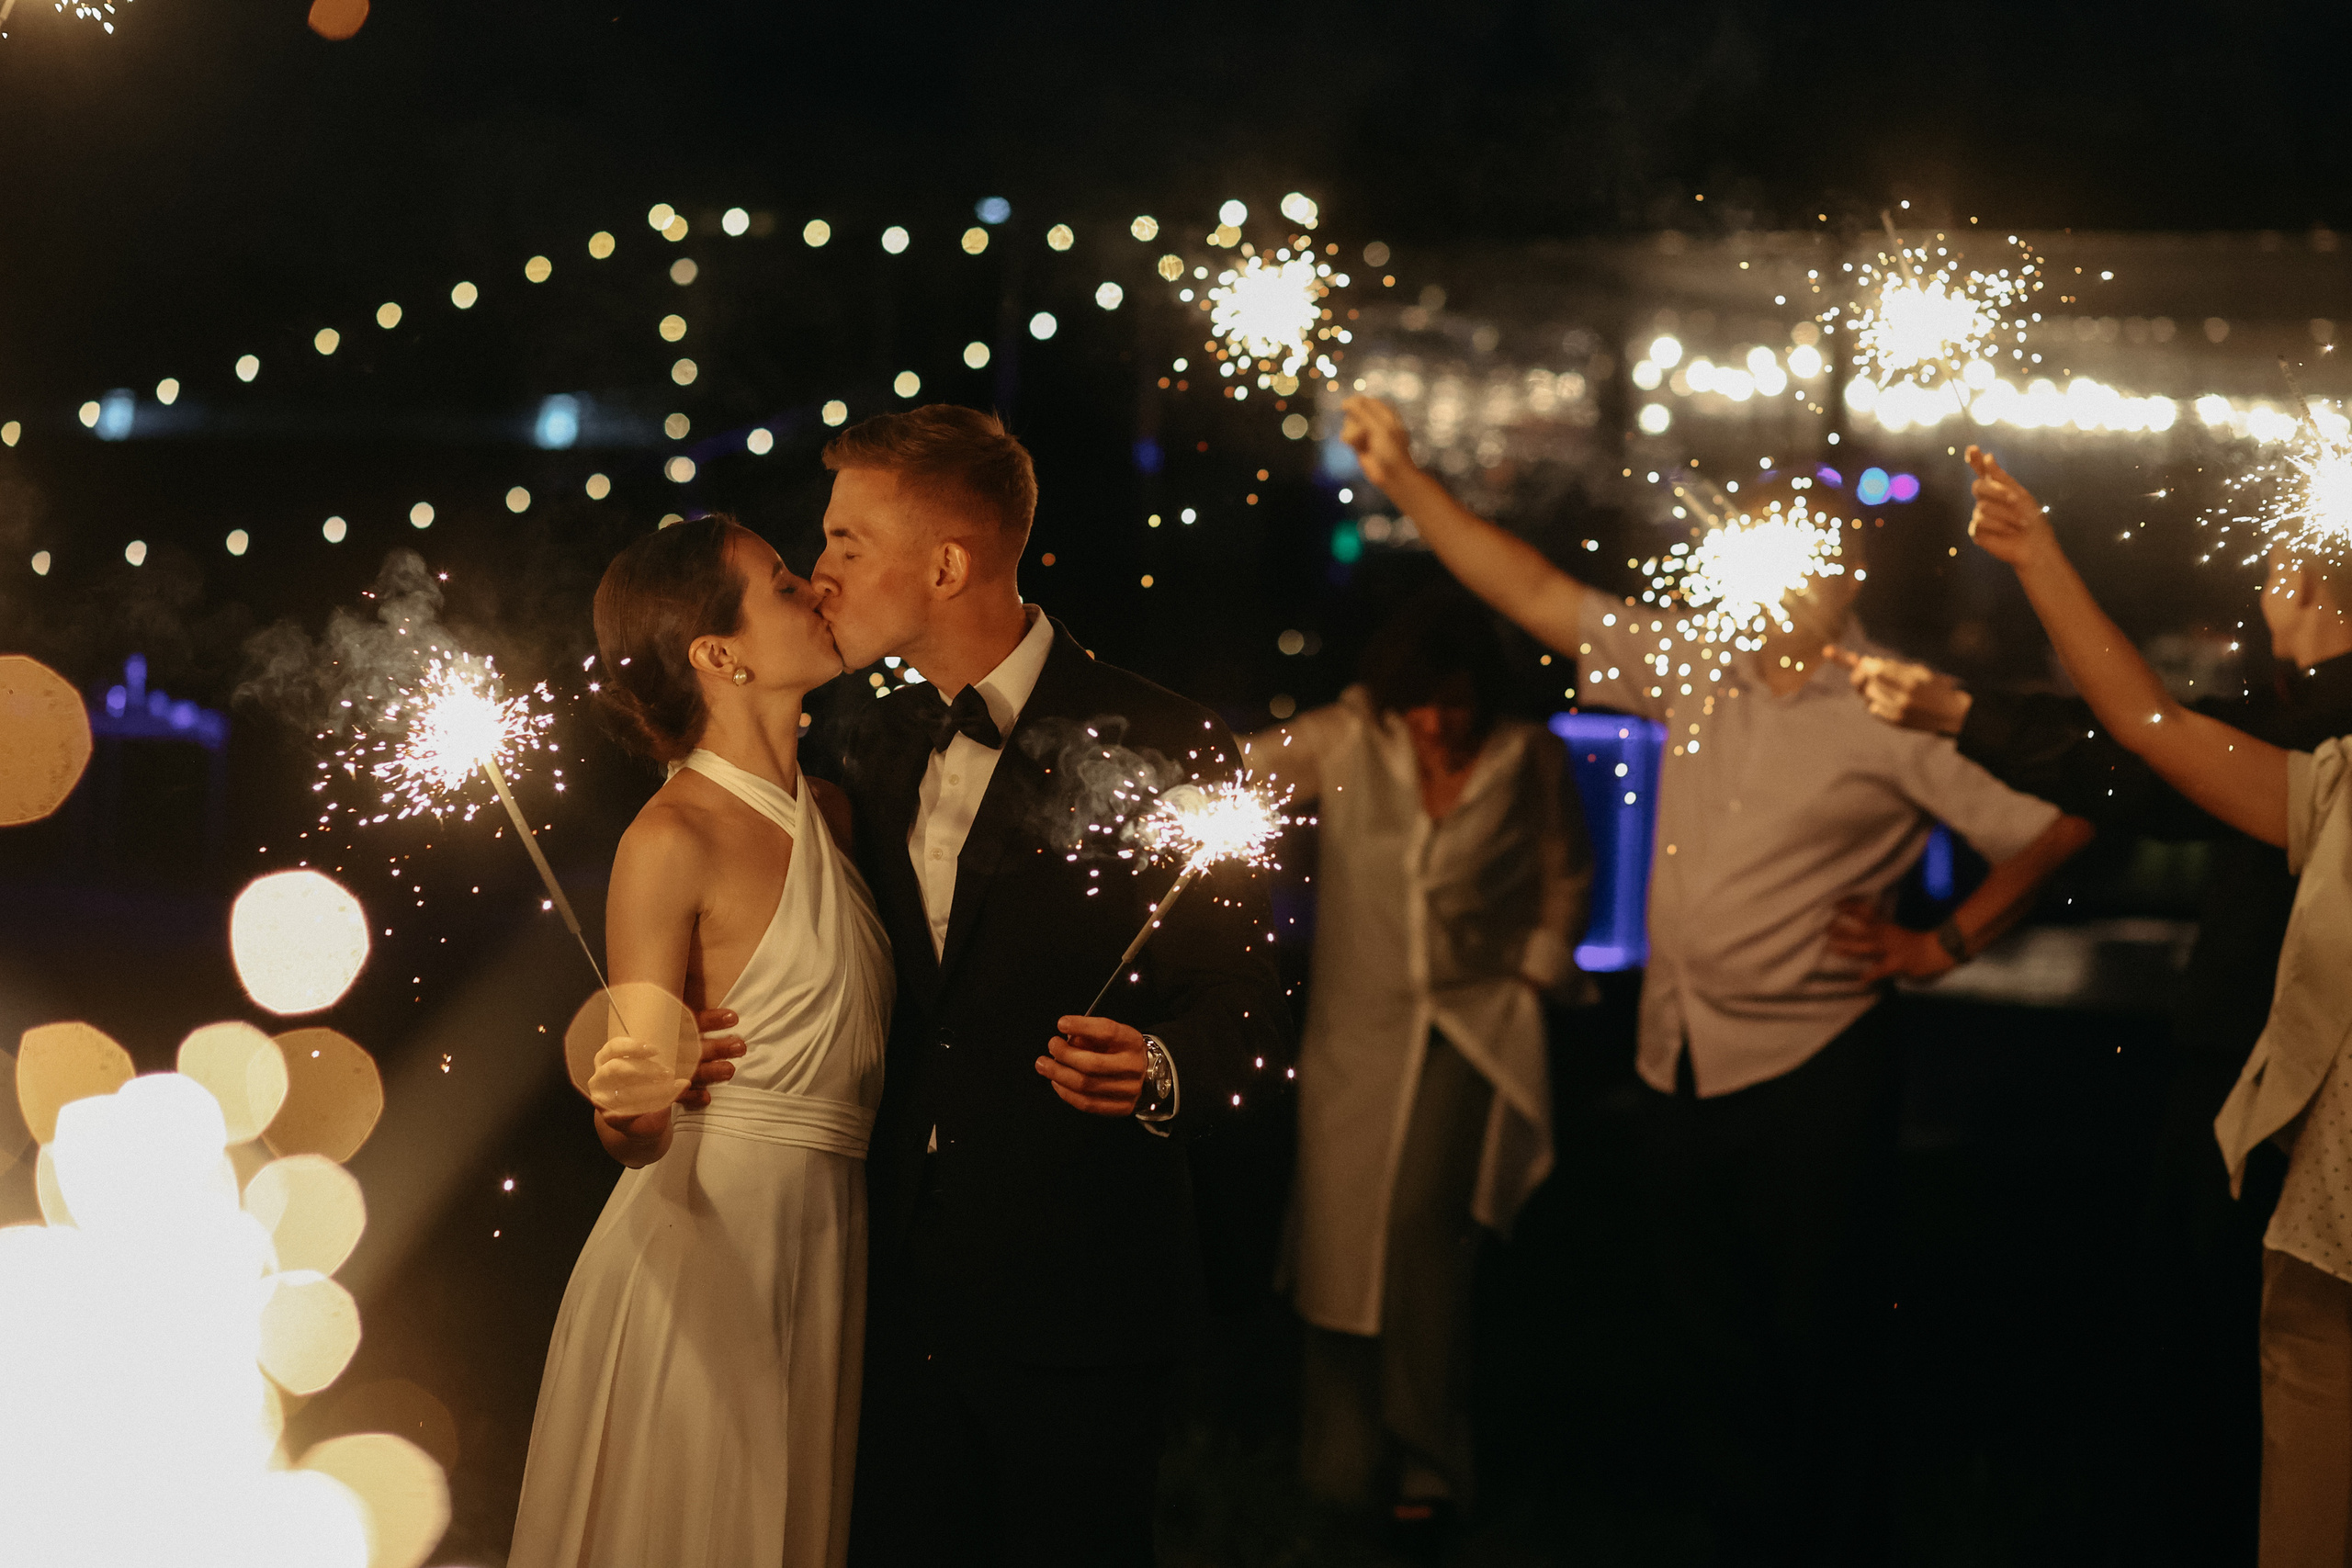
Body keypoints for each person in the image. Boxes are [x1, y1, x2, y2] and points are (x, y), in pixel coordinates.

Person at [1340, 396, 2094, 1564]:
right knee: (1710, 1343)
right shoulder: (1692, 665)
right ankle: (1741, 1538)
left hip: (1813, 1071)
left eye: (1806, 555)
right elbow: (1530, 590)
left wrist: (1941, 945)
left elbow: (2055, 826)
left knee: (1820, 1346)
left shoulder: (1891, 707)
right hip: (1678, 1058)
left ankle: (1833, 1543)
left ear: (1846, 575)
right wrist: (1405, 479)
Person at [808, 404, 1293, 1567]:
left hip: (1079, 1294)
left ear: (946, 564)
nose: (817, 571)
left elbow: (1249, 1008)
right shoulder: (857, 742)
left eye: (844, 543)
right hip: (887, 1288)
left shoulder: (1171, 743)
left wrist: (1158, 1069)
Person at [1834, 528, 2352, 1563]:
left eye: (2307, 578)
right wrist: (2030, 568)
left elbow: (2139, 749)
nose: (2276, 589)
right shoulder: (2323, 769)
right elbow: (2141, 733)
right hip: (2295, 1191)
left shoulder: (2327, 757)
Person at [511, 516, 891, 1568]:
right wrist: (630, 1103)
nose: (815, 589)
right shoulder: (668, 839)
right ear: (718, 656)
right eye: (781, 585)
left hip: (829, 1237)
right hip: (706, 1246)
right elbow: (636, 1127)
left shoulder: (835, 812)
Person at [1239, 584, 1592, 1538]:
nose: (1440, 723)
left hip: (1476, 1030)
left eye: (1457, 701)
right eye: (1422, 704)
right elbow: (1235, 777)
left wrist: (1532, 974)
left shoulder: (1527, 759)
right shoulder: (1348, 743)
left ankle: (1431, 1460)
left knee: (1423, 1235)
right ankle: (1341, 1465)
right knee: (1337, 1244)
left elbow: (1566, 874)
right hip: (1358, 1037)